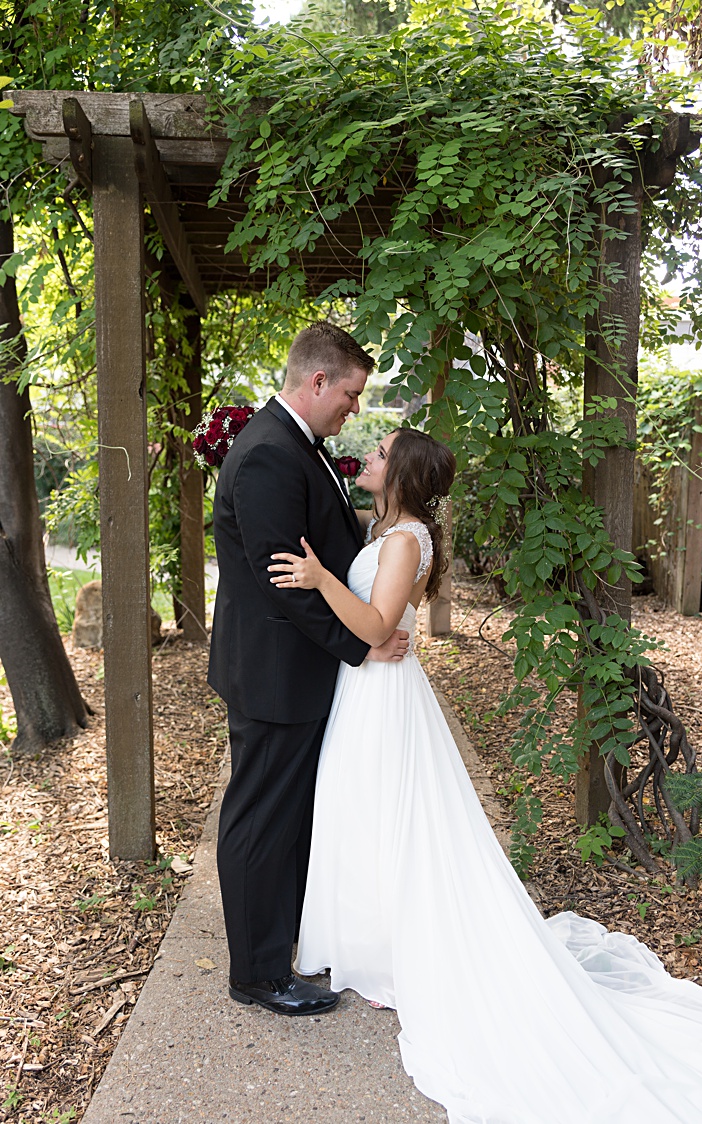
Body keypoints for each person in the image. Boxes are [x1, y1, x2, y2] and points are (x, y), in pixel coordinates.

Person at [268, 427, 702, 1123]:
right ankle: (369, 946)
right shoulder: (386, 526)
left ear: (400, 471)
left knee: (393, 818)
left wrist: (318, 581)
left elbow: (377, 628)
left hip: (384, 697)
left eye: (380, 452)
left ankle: (396, 956)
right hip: (365, 691)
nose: (368, 456)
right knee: (364, 812)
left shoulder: (406, 542)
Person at [207, 321, 410, 1018]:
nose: (356, 409)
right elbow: (279, 582)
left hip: (293, 671)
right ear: (317, 381)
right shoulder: (269, 452)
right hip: (273, 673)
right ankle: (259, 975)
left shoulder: (301, 445)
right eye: (352, 395)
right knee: (262, 820)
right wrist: (362, 645)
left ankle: (281, 949)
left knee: (286, 819)